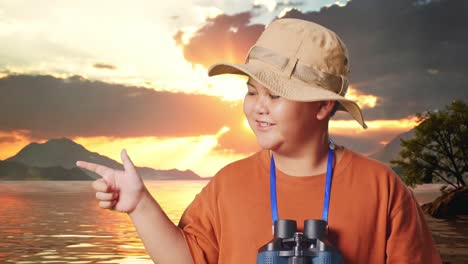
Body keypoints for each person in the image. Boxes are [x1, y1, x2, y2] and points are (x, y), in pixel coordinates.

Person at [76, 18, 442, 263]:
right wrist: (140, 205)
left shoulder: (381, 187)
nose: (258, 108)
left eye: (276, 95)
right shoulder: (228, 184)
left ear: (323, 106)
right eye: (252, 92)